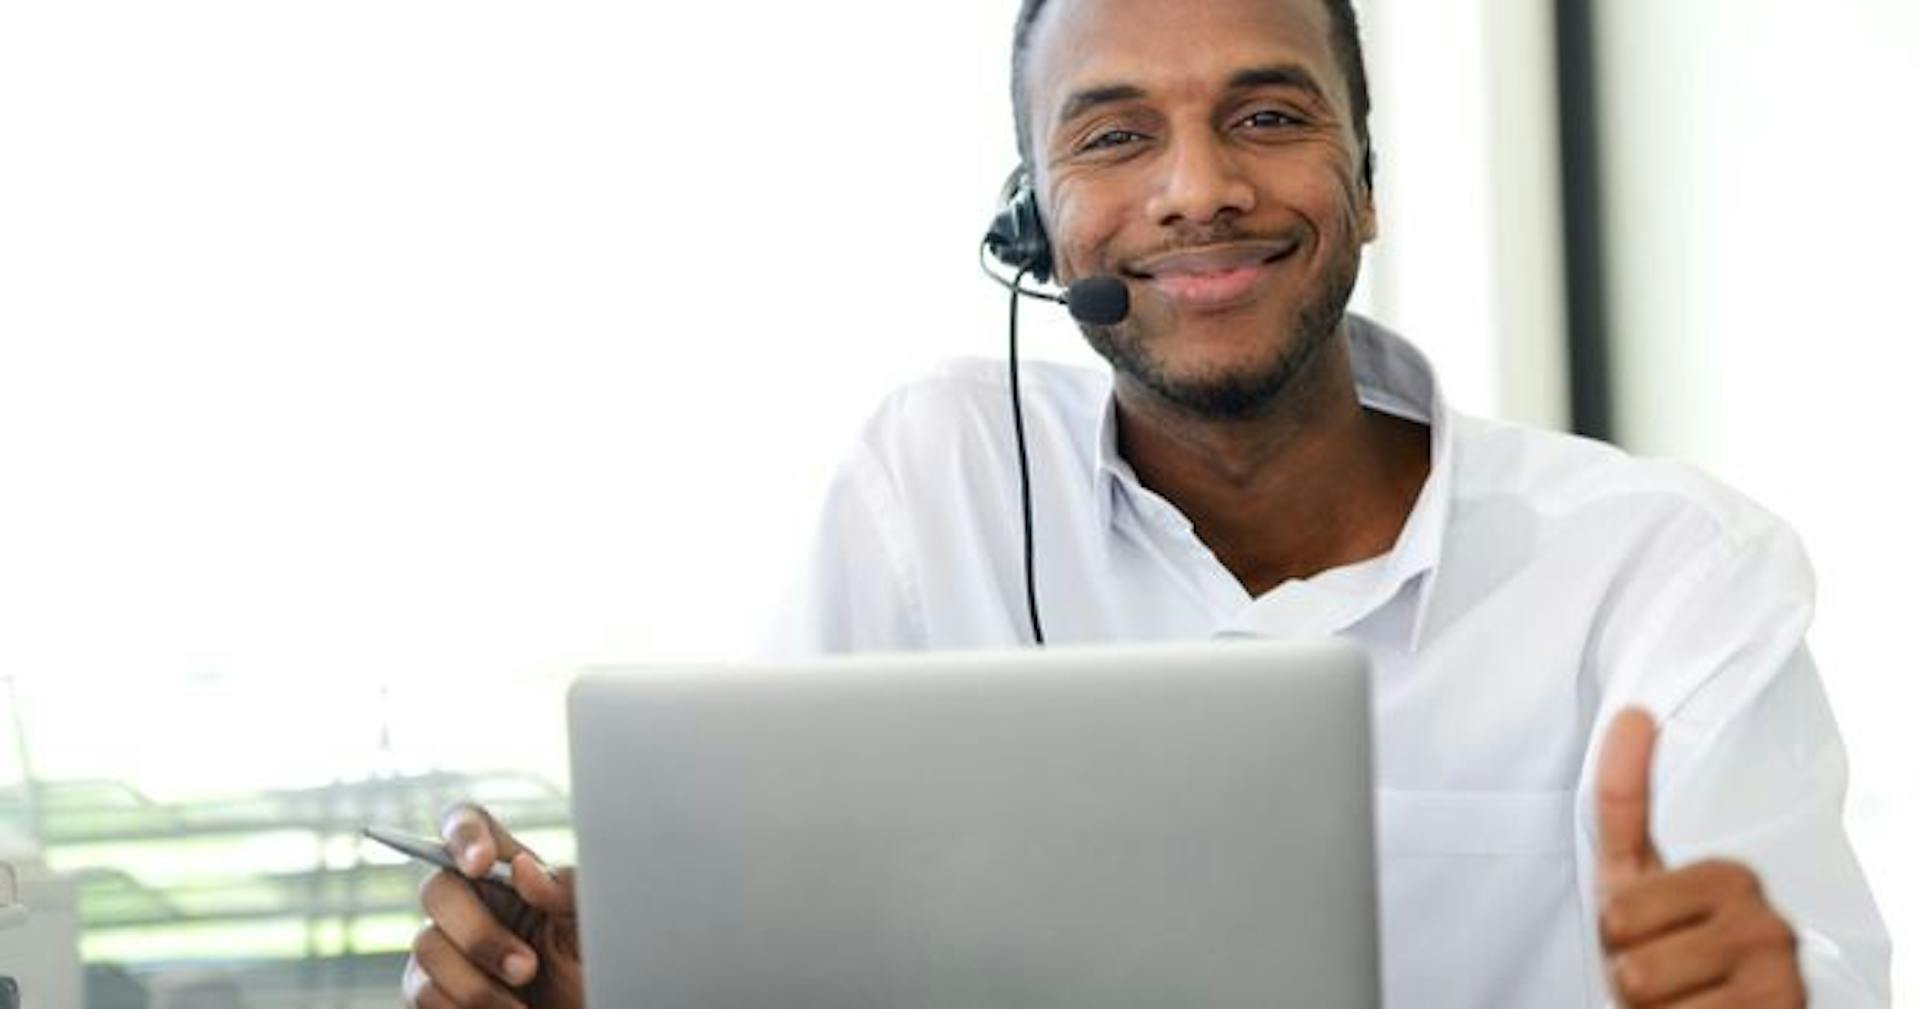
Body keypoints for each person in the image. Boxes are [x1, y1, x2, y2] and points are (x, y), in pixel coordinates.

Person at [401, 0, 1891, 1005]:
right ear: (1032, 223)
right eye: (1113, 135)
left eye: (1266, 116)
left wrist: (1767, 987)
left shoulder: (1671, 572)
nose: (1197, 189)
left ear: (1366, 182)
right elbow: (802, 961)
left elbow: (1795, 966)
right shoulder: (936, 485)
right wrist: (642, 984)